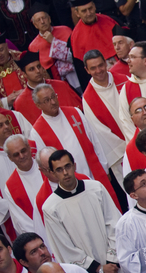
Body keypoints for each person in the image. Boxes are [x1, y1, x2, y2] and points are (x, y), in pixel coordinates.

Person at [29, 82, 122, 210]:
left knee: (108, 208)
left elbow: (94, 140)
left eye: (53, 97)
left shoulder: (75, 112)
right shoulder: (37, 132)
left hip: (94, 172)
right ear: (38, 105)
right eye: (46, 100)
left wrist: (104, 167)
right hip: (70, 183)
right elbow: (47, 164)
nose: (52, 102)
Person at [81, 49, 128, 189]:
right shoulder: (88, 98)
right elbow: (101, 133)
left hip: (142, 140)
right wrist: (128, 147)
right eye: (93, 68)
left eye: (101, 65)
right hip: (121, 153)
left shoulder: (124, 80)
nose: (99, 70)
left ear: (106, 63)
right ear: (86, 70)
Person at [13, 49, 82, 125]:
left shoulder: (62, 86)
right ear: (24, 74)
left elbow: (79, 111)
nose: (37, 71)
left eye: (38, 66)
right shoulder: (20, 102)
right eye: (32, 69)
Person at [3, 135, 48, 242]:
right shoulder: (10, 186)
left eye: (23, 150)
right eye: (16, 154)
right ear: (10, 157)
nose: (22, 156)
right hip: (42, 238)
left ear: (29, 148)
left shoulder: (46, 165)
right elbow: (22, 222)